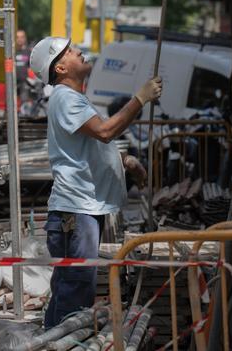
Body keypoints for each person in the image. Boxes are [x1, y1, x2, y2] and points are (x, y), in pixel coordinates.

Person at [30, 36, 162, 328]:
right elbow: (104, 132)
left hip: (80, 211)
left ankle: (53, 342)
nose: (80, 52)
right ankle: (59, 345)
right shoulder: (65, 98)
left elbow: (90, 147)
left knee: (71, 289)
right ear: (60, 68)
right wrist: (139, 98)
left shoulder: (75, 99)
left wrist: (125, 162)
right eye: (71, 51)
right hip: (75, 211)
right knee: (76, 289)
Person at [14, 29, 31, 101]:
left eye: (22, 37)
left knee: (24, 105)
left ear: (25, 38)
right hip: (12, 82)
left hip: (24, 82)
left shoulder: (29, 52)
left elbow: (32, 68)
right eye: (17, 37)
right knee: (9, 105)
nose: (20, 39)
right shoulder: (11, 51)